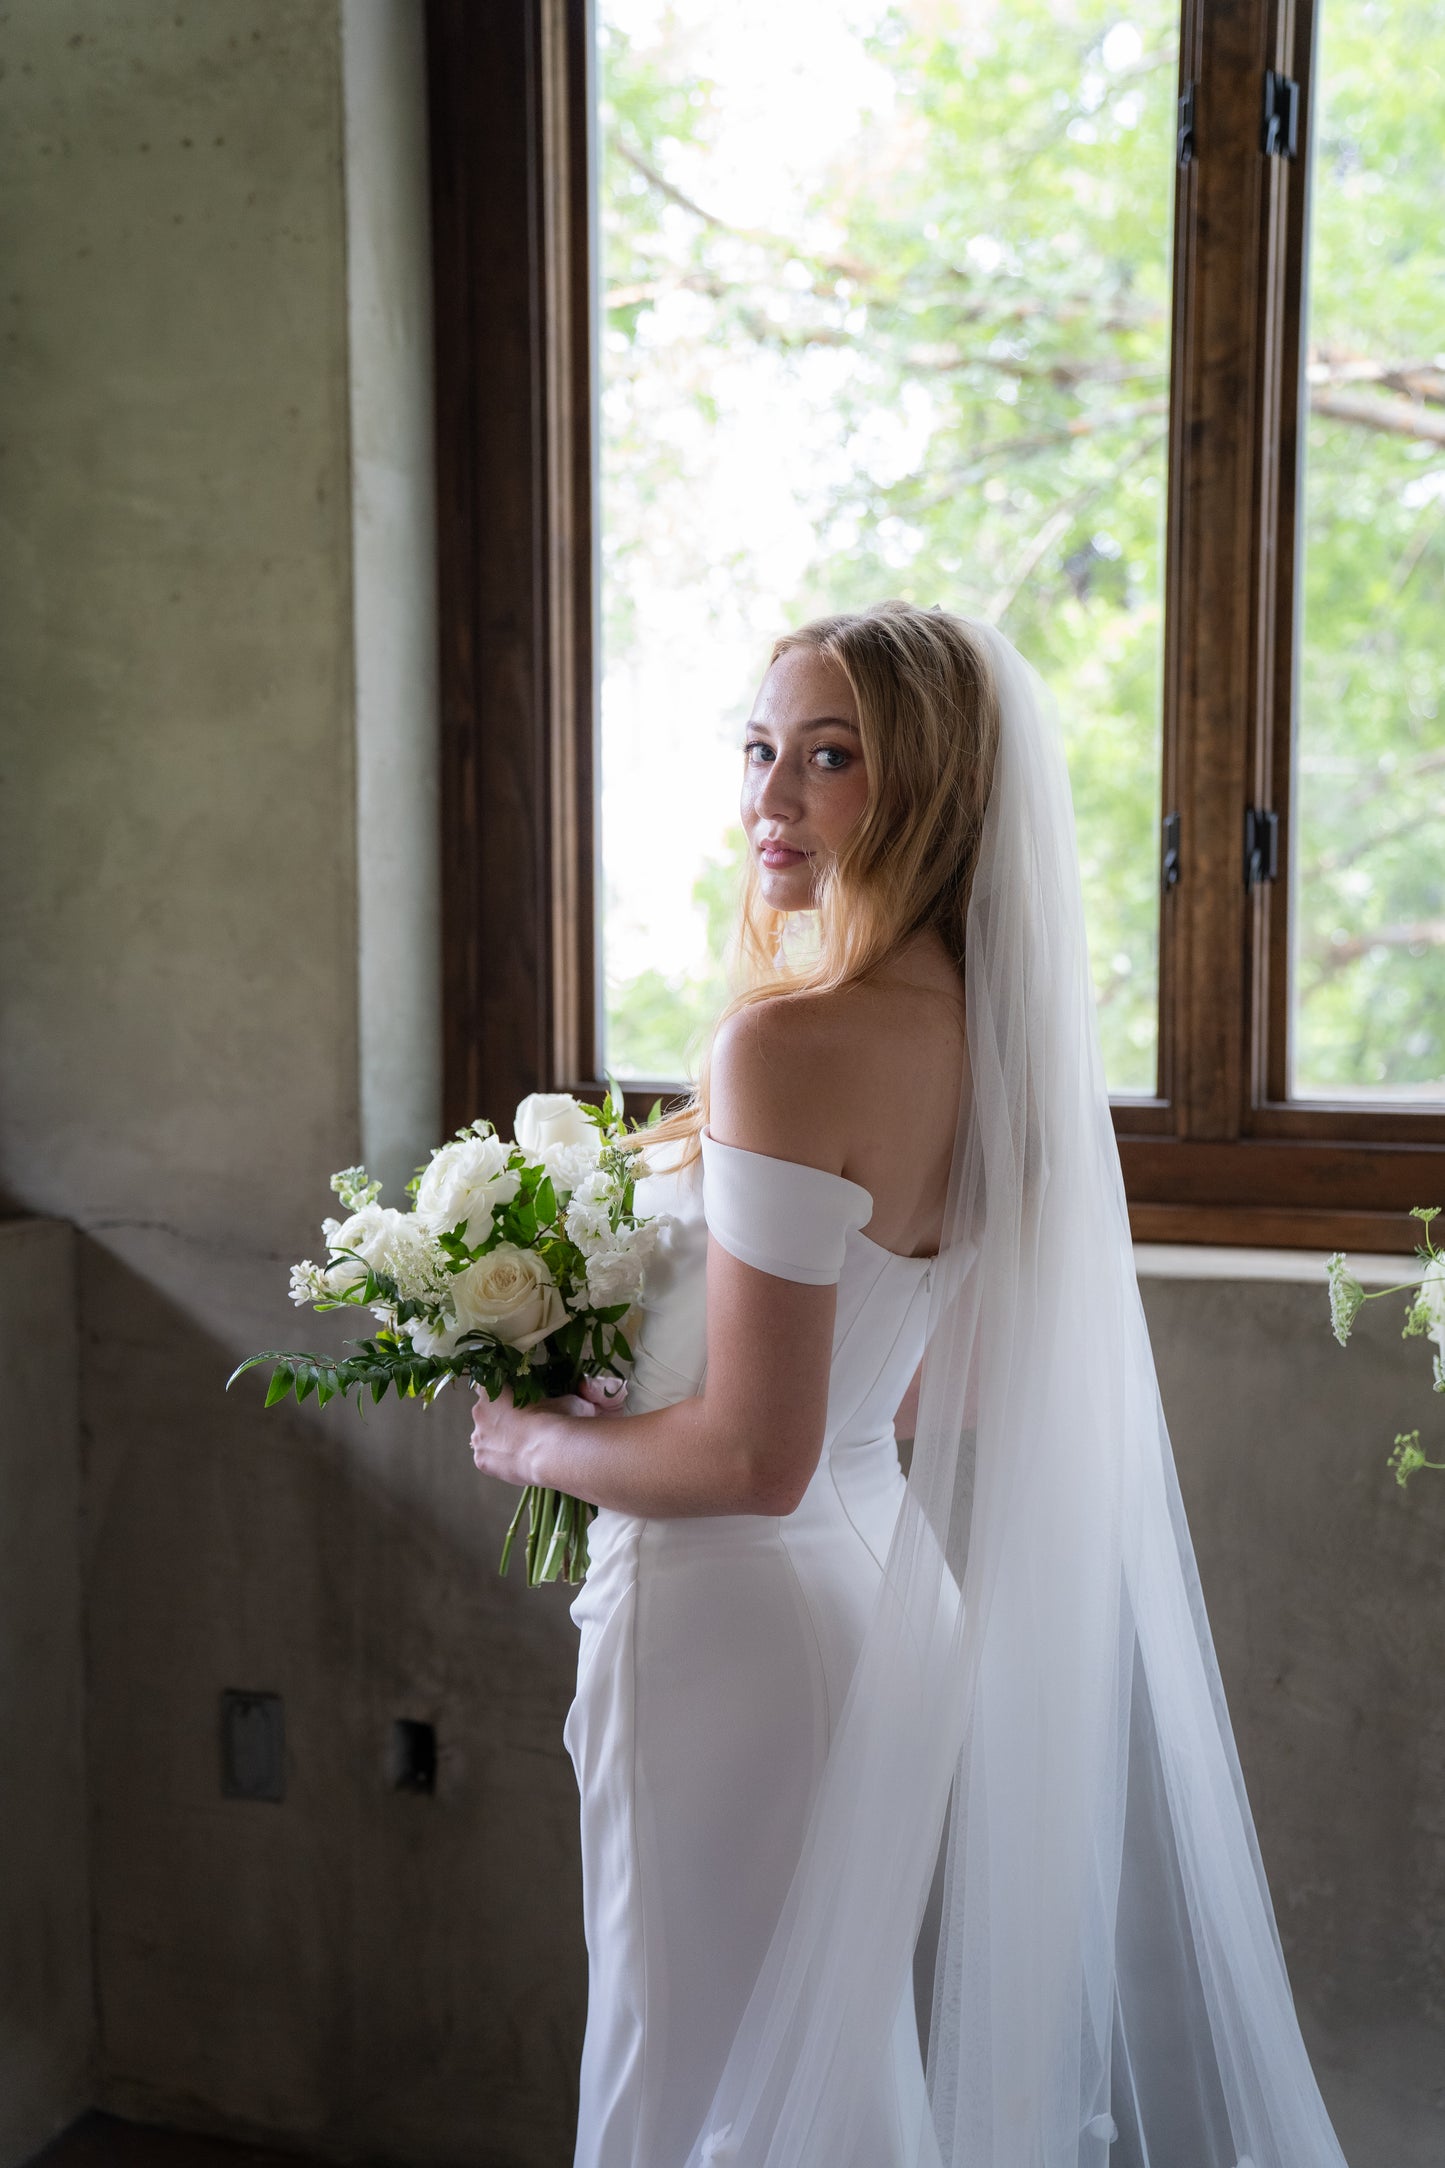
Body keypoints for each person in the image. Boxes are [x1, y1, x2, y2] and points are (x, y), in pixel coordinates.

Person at [470, 604, 1353, 2168]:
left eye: (831, 758)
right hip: (870, 1591)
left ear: (934, 789)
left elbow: (753, 1459)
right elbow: (905, 1392)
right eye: (759, 750)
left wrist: (530, 1434)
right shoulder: (986, 1041)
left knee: (691, 2063)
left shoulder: (791, 1046)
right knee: (808, 2057)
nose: (772, 798)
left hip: (730, 1612)